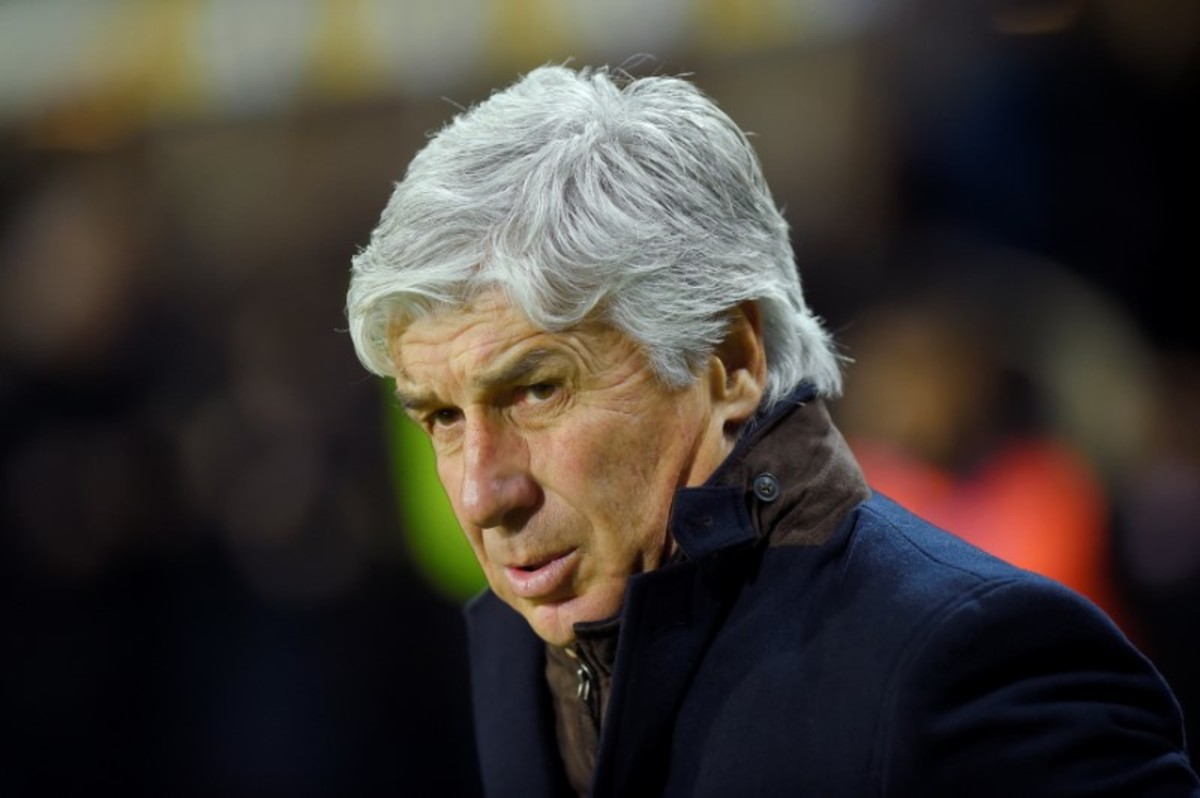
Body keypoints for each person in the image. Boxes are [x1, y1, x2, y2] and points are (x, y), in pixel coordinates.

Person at [346, 65, 1198, 797]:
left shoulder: (976, 667)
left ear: (730, 360)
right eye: (442, 416)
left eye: (537, 390)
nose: (480, 493)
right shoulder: (518, 652)